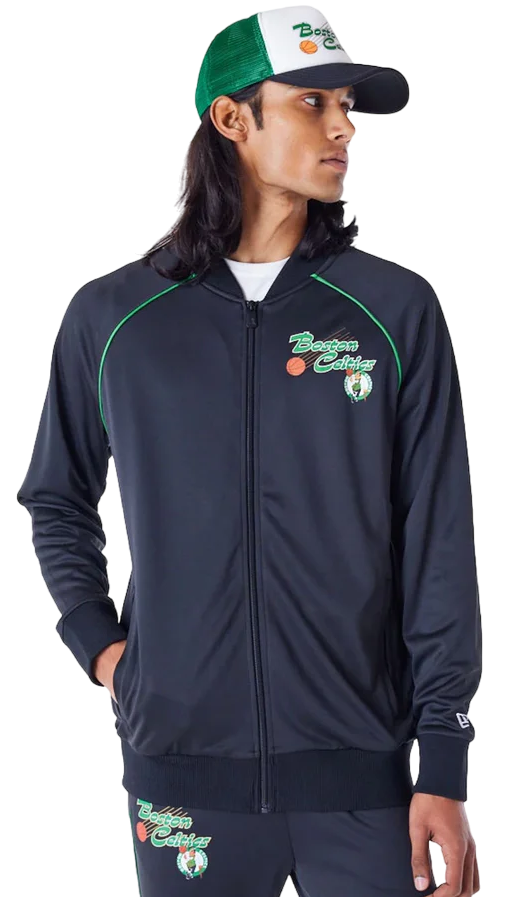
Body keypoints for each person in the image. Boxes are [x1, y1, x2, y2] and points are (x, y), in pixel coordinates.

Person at [16, 6, 482, 896]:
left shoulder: (394, 311)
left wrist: (445, 760)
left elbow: (437, 539)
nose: (343, 127)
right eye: (312, 103)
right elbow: (57, 495)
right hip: (180, 779)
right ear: (232, 118)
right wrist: (103, 648)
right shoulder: (113, 318)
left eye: (346, 105)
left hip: (366, 778)